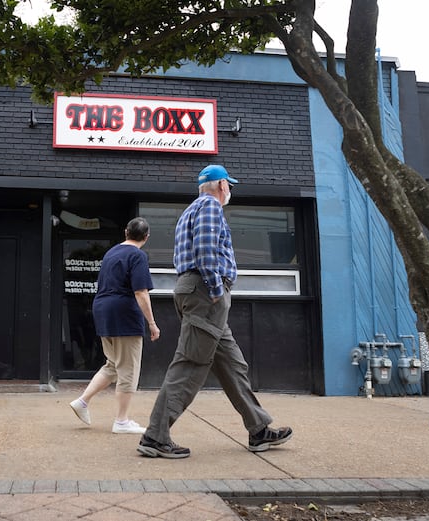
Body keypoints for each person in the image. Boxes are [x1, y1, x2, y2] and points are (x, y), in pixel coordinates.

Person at [137, 164, 292, 458]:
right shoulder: (210, 206)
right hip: (206, 293)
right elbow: (206, 250)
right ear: (221, 185)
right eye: (229, 185)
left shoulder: (190, 210)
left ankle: (259, 429)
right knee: (191, 364)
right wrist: (215, 288)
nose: (229, 190)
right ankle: (155, 437)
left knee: (233, 364)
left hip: (198, 293)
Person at [70, 217, 161, 434]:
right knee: (128, 369)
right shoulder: (137, 255)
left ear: (126, 232)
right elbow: (141, 292)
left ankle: (82, 401)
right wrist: (152, 322)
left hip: (103, 310)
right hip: (124, 313)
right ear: (146, 237)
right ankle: (121, 421)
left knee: (113, 364)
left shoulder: (111, 253)